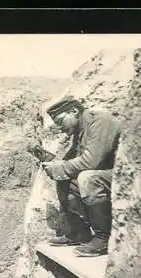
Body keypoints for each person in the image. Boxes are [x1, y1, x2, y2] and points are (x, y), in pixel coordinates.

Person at [41, 96, 122, 257]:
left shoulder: (99, 121)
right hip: (107, 175)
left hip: (123, 176)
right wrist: (56, 166)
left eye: (60, 121)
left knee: (87, 177)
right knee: (64, 178)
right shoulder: (80, 128)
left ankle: (103, 238)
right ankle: (78, 232)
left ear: (74, 111)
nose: (59, 128)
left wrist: (61, 167)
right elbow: (72, 161)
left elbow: (91, 161)